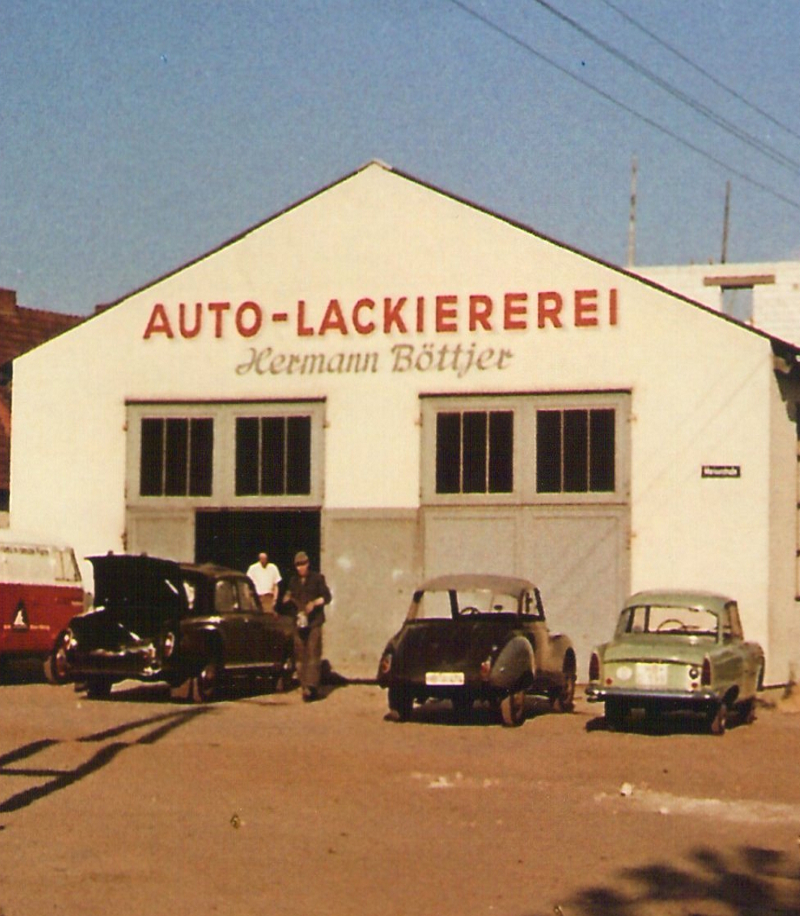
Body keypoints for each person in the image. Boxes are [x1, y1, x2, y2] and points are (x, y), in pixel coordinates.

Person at [282, 550, 331, 702]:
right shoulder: (293, 581)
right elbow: (288, 596)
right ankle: (304, 686)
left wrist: (315, 603)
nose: (300, 568)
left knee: (313, 651)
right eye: (297, 565)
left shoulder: (317, 579)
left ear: (308, 564)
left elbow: (327, 597)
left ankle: (311, 686)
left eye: (303, 564)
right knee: (300, 653)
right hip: (299, 621)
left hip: (314, 621)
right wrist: (286, 599)